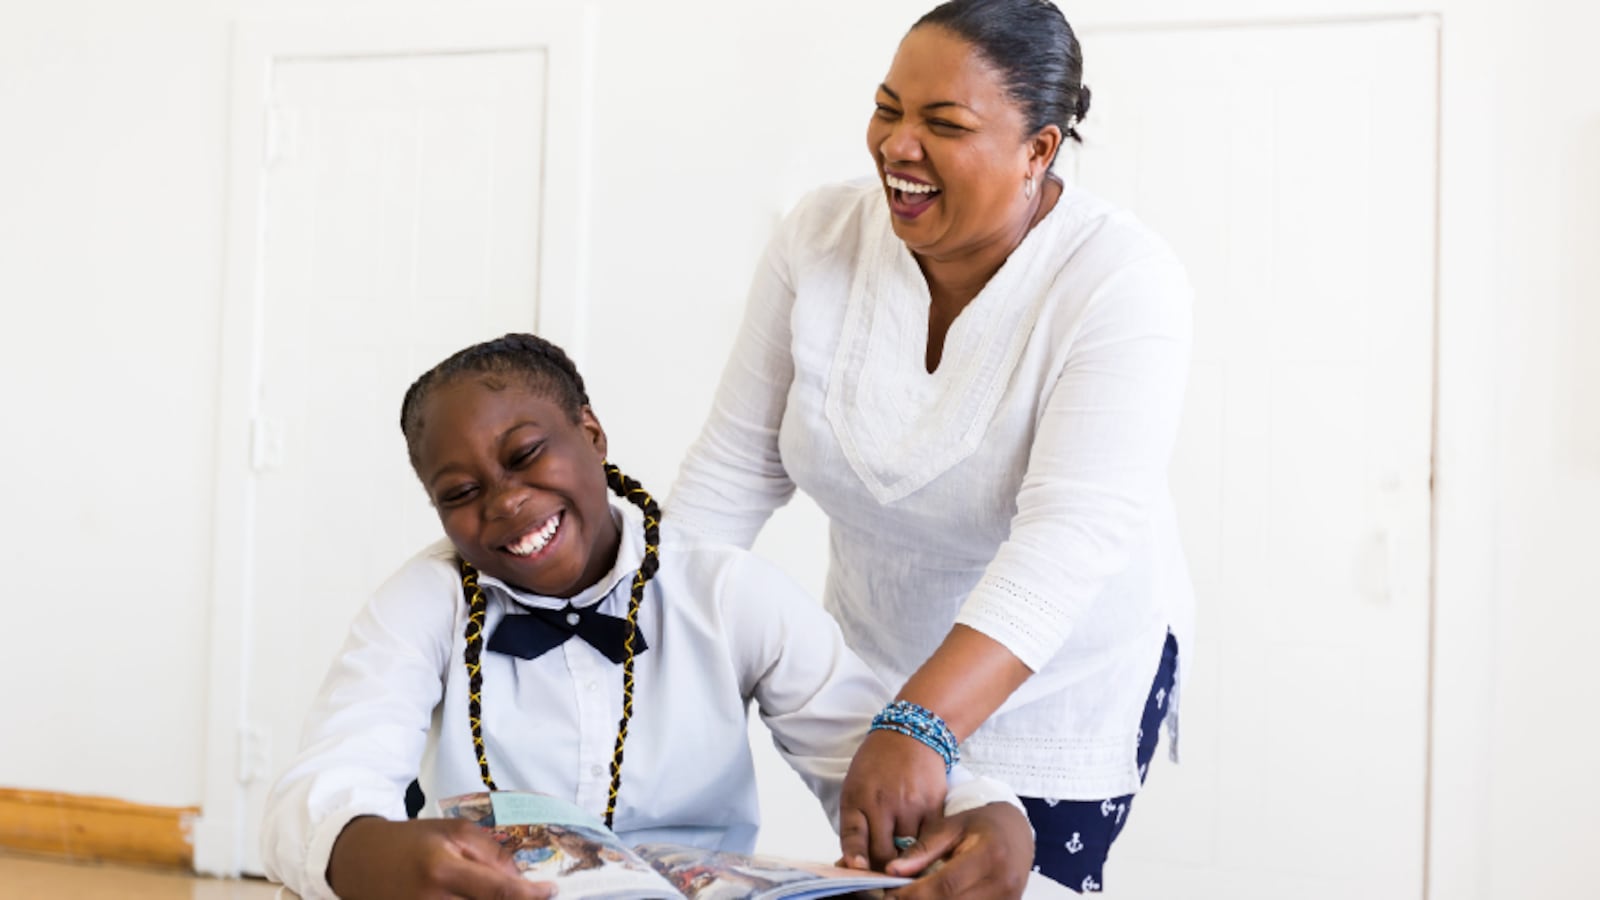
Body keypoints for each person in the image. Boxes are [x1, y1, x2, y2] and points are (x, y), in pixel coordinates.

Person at [665, 0, 1192, 893]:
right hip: (872, 669)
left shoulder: (1121, 283)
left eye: (943, 124)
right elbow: (732, 473)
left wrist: (925, 723)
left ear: (1040, 149)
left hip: (1056, 674)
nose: (896, 146)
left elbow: (1069, 539)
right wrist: (638, 633)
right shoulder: (818, 239)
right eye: (887, 108)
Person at [258, 333, 1034, 900]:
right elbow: (327, 779)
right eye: (459, 494)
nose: (504, 502)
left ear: (591, 435)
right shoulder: (423, 603)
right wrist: (359, 849)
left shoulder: (726, 592)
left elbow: (861, 751)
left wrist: (982, 813)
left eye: (525, 455)